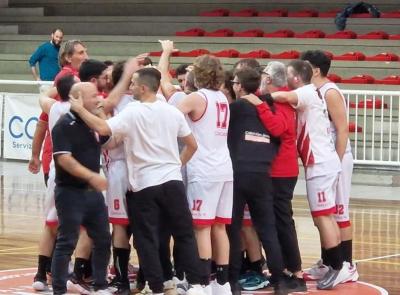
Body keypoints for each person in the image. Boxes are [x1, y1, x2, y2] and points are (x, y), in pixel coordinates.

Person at [69, 66, 208, 295]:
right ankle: (195, 286)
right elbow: (192, 145)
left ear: (143, 88)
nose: (130, 87)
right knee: (183, 235)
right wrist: (175, 164)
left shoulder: (133, 111)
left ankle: (156, 288)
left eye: (133, 83)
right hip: (173, 182)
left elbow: (103, 128)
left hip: (144, 185)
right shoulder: (172, 111)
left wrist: (79, 109)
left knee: (146, 240)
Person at [246, 60, 351, 290]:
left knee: (323, 216)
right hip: (322, 161)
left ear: (295, 78)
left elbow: (281, 97)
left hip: (321, 162)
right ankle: (335, 264)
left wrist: (256, 99)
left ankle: (338, 266)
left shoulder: (304, 92)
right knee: (324, 216)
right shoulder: (309, 93)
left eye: (289, 74)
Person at [228, 68, 301, 295]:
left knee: (233, 228)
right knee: (268, 229)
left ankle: (232, 281)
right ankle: (278, 282)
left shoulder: (236, 108)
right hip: (262, 174)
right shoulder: (269, 107)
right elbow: (279, 133)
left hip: (238, 172)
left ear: (239, 86)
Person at [177, 54, 233, 295]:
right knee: (219, 228)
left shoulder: (196, 98)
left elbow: (168, 116)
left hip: (204, 169)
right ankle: (222, 283)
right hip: (224, 167)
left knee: (201, 228)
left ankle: (200, 283)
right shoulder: (222, 97)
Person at [300, 50, 358, 282]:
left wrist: (336, 158)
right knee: (324, 213)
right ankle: (328, 262)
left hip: (337, 157)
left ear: (314, 69)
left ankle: (347, 264)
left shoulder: (330, 92)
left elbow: (343, 129)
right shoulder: (312, 91)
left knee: (339, 211)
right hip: (326, 157)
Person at [50, 82, 111, 295]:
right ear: (77, 99)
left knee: (103, 238)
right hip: (70, 193)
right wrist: (92, 176)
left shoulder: (90, 122)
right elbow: (65, 160)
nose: (99, 98)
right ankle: (59, 289)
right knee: (67, 241)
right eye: (94, 96)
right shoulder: (63, 125)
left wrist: (97, 110)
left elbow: (106, 131)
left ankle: (101, 284)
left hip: (92, 195)